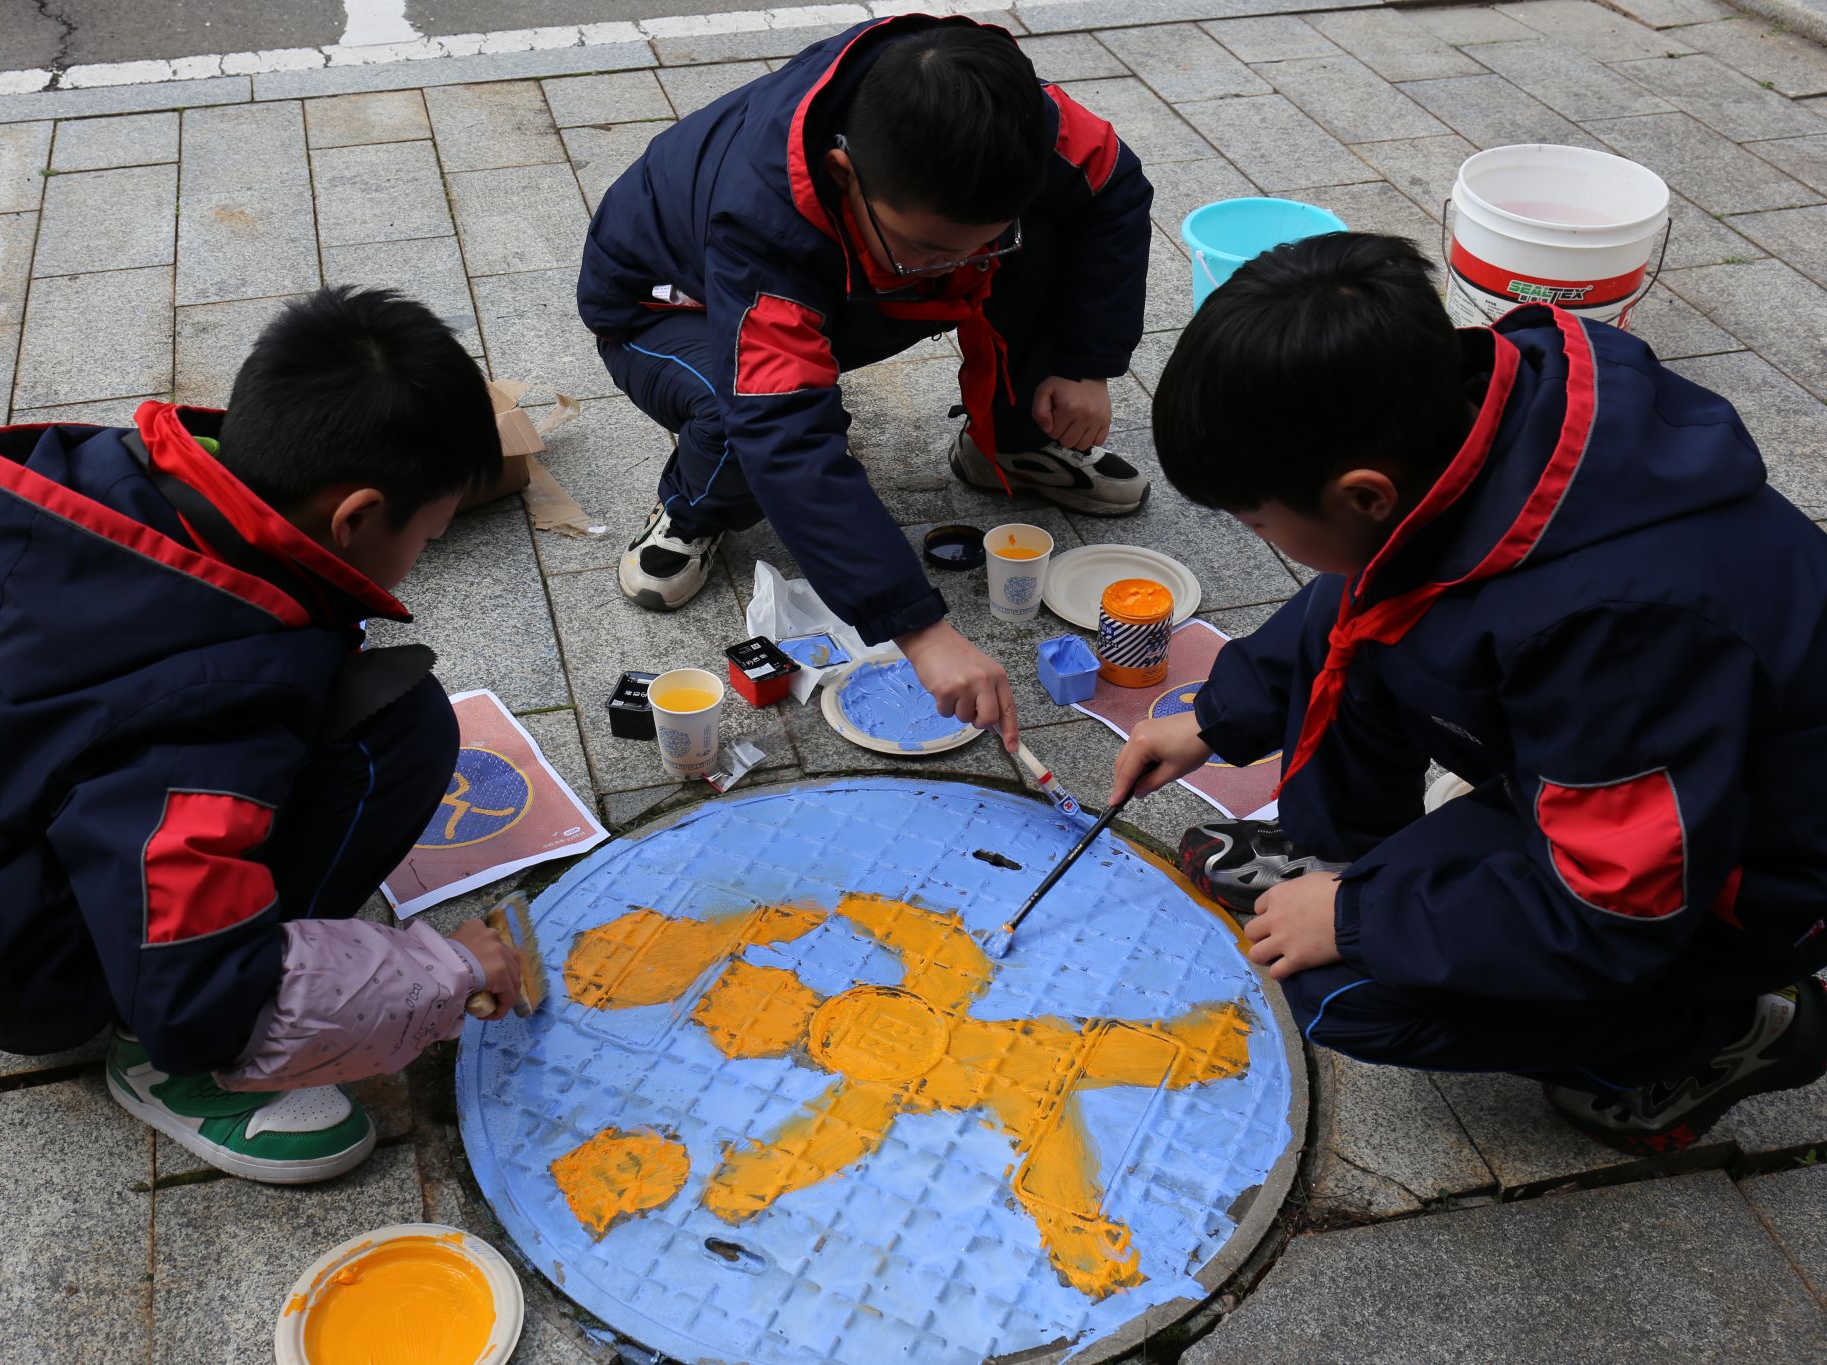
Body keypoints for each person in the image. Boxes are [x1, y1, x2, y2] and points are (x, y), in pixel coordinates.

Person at [1112, 232, 1827, 1155]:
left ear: (1365, 494)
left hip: (1741, 872)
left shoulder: (1614, 626)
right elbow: (1364, 601)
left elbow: (1616, 905)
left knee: (1340, 992)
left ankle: (1729, 1034)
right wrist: (1216, 716)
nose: (1262, 536)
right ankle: (1345, 860)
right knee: (1364, 638)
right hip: (1627, 777)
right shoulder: (1467, 430)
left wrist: (1357, 921)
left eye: (1257, 523)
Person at [0, 287, 526, 1185]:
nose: (423, 554)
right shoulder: (214, 696)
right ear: (355, 516)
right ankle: (165, 1069)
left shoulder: (129, 483)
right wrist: (446, 971)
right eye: (429, 532)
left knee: (377, 708)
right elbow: (194, 987)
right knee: (398, 737)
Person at [578, 13, 1155, 746]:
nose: (963, 263)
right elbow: (784, 431)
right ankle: (692, 510)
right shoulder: (762, 224)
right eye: (932, 246)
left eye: (980, 241)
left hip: (850, 279)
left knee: (1038, 236)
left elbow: (1112, 192)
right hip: (666, 304)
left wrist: (1084, 362)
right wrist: (918, 627)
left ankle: (1010, 443)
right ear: (844, 173)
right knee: (739, 415)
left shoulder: (1014, 117)